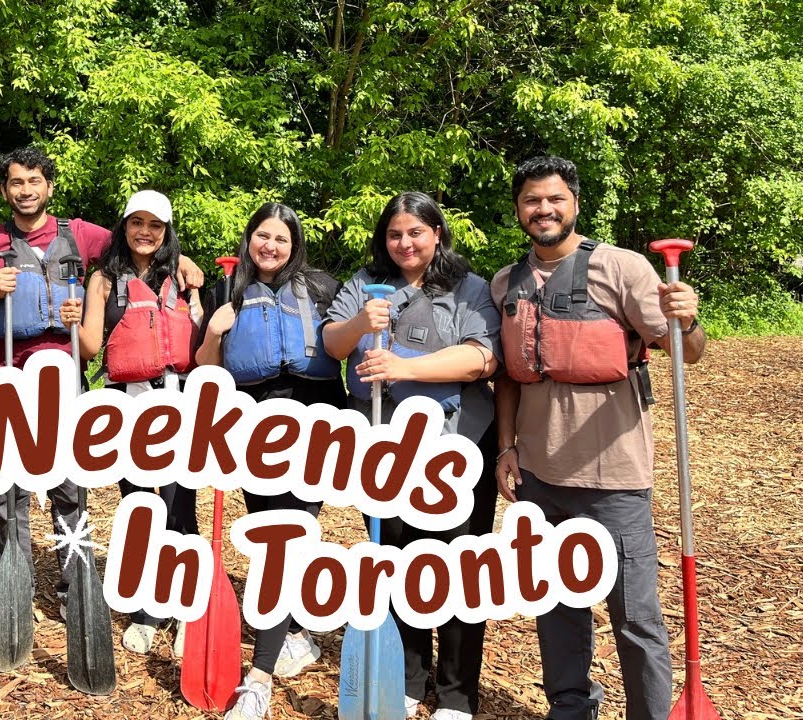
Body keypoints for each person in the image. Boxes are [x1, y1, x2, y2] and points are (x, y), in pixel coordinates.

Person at [492, 156, 706, 720]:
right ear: (518, 211)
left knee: (634, 613)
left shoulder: (624, 268)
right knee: (557, 602)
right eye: (532, 201)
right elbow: (511, 379)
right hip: (539, 475)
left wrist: (687, 320)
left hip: (614, 477)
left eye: (554, 199)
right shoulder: (505, 283)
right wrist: (507, 448)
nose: (544, 210)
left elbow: (686, 350)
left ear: (575, 204)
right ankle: (570, 704)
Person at [0, 148, 203, 622]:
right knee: (10, 485)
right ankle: (16, 581)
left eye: (34, 181)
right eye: (16, 182)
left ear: (49, 186)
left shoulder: (81, 235)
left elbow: (138, 244)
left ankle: (74, 584)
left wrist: (185, 259)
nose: (26, 190)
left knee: (68, 484)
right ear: (4, 189)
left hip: (65, 377)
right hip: (7, 375)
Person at [322, 191, 501, 720]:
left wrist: (402, 367)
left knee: (457, 569)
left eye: (416, 232)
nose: (404, 243)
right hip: (384, 451)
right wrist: (361, 322)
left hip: (457, 450)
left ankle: (456, 695)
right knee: (399, 564)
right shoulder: (362, 284)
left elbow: (482, 359)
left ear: (437, 234)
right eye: (395, 234)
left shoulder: (471, 289)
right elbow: (333, 343)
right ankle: (407, 676)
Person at [193, 203, 346, 720]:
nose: (271, 247)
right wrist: (215, 330)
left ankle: (258, 677)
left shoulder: (323, 288)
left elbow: (347, 342)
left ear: (294, 243)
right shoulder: (225, 291)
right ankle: (299, 631)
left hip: (315, 424)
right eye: (263, 236)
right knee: (268, 534)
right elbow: (206, 368)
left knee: (287, 535)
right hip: (253, 425)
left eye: (280, 239)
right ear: (250, 237)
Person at [61, 189, 203, 655]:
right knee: (140, 507)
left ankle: (186, 606)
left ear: (166, 232)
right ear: (124, 227)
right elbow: (88, 347)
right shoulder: (103, 279)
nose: (146, 232)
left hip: (180, 403)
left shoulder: (184, 277)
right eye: (137, 223)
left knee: (181, 509)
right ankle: (146, 608)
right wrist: (72, 321)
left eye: (155, 226)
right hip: (127, 404)